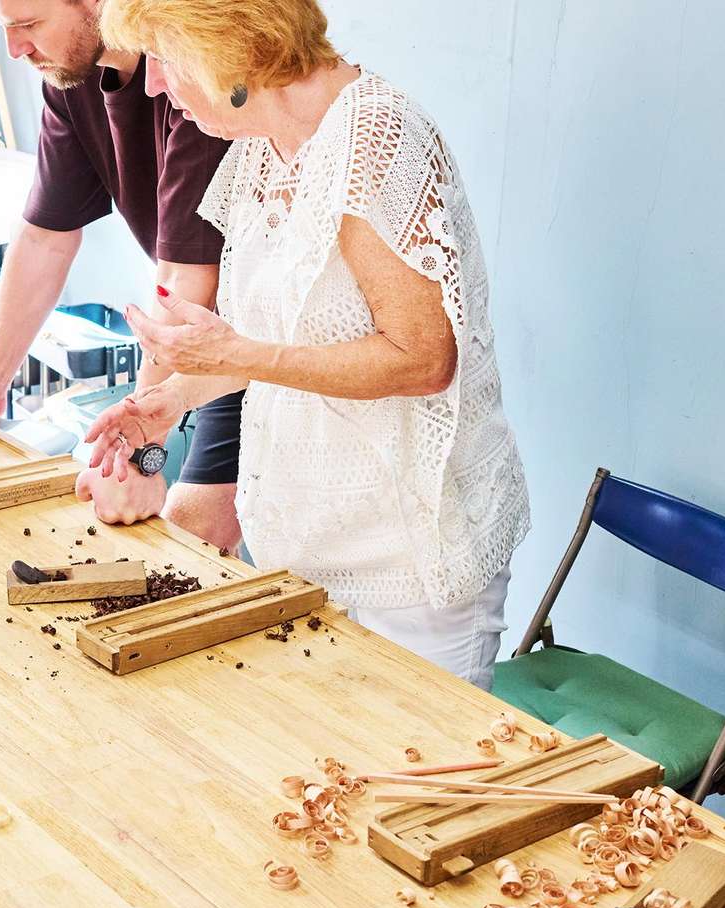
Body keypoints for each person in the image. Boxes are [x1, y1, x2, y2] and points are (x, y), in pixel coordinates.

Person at [85, 0, 530, 688]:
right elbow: (273, 335)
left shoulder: (376, 138)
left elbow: (424, 358)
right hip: (304, 545)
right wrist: (171, 401)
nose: (153, 86)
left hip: (408, 564)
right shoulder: (259, 150)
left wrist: (236, 357)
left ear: (230, 47)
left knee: (408, 784)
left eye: (166, 60)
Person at [0, 0, 239, 549]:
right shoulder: (70, 75)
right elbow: (44, 237)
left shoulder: (183, 71)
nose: (16, 50)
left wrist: (137, 453)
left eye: (29, 26)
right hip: (203, 340)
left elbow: (187, 276)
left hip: (261, 340)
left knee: (198, 541)